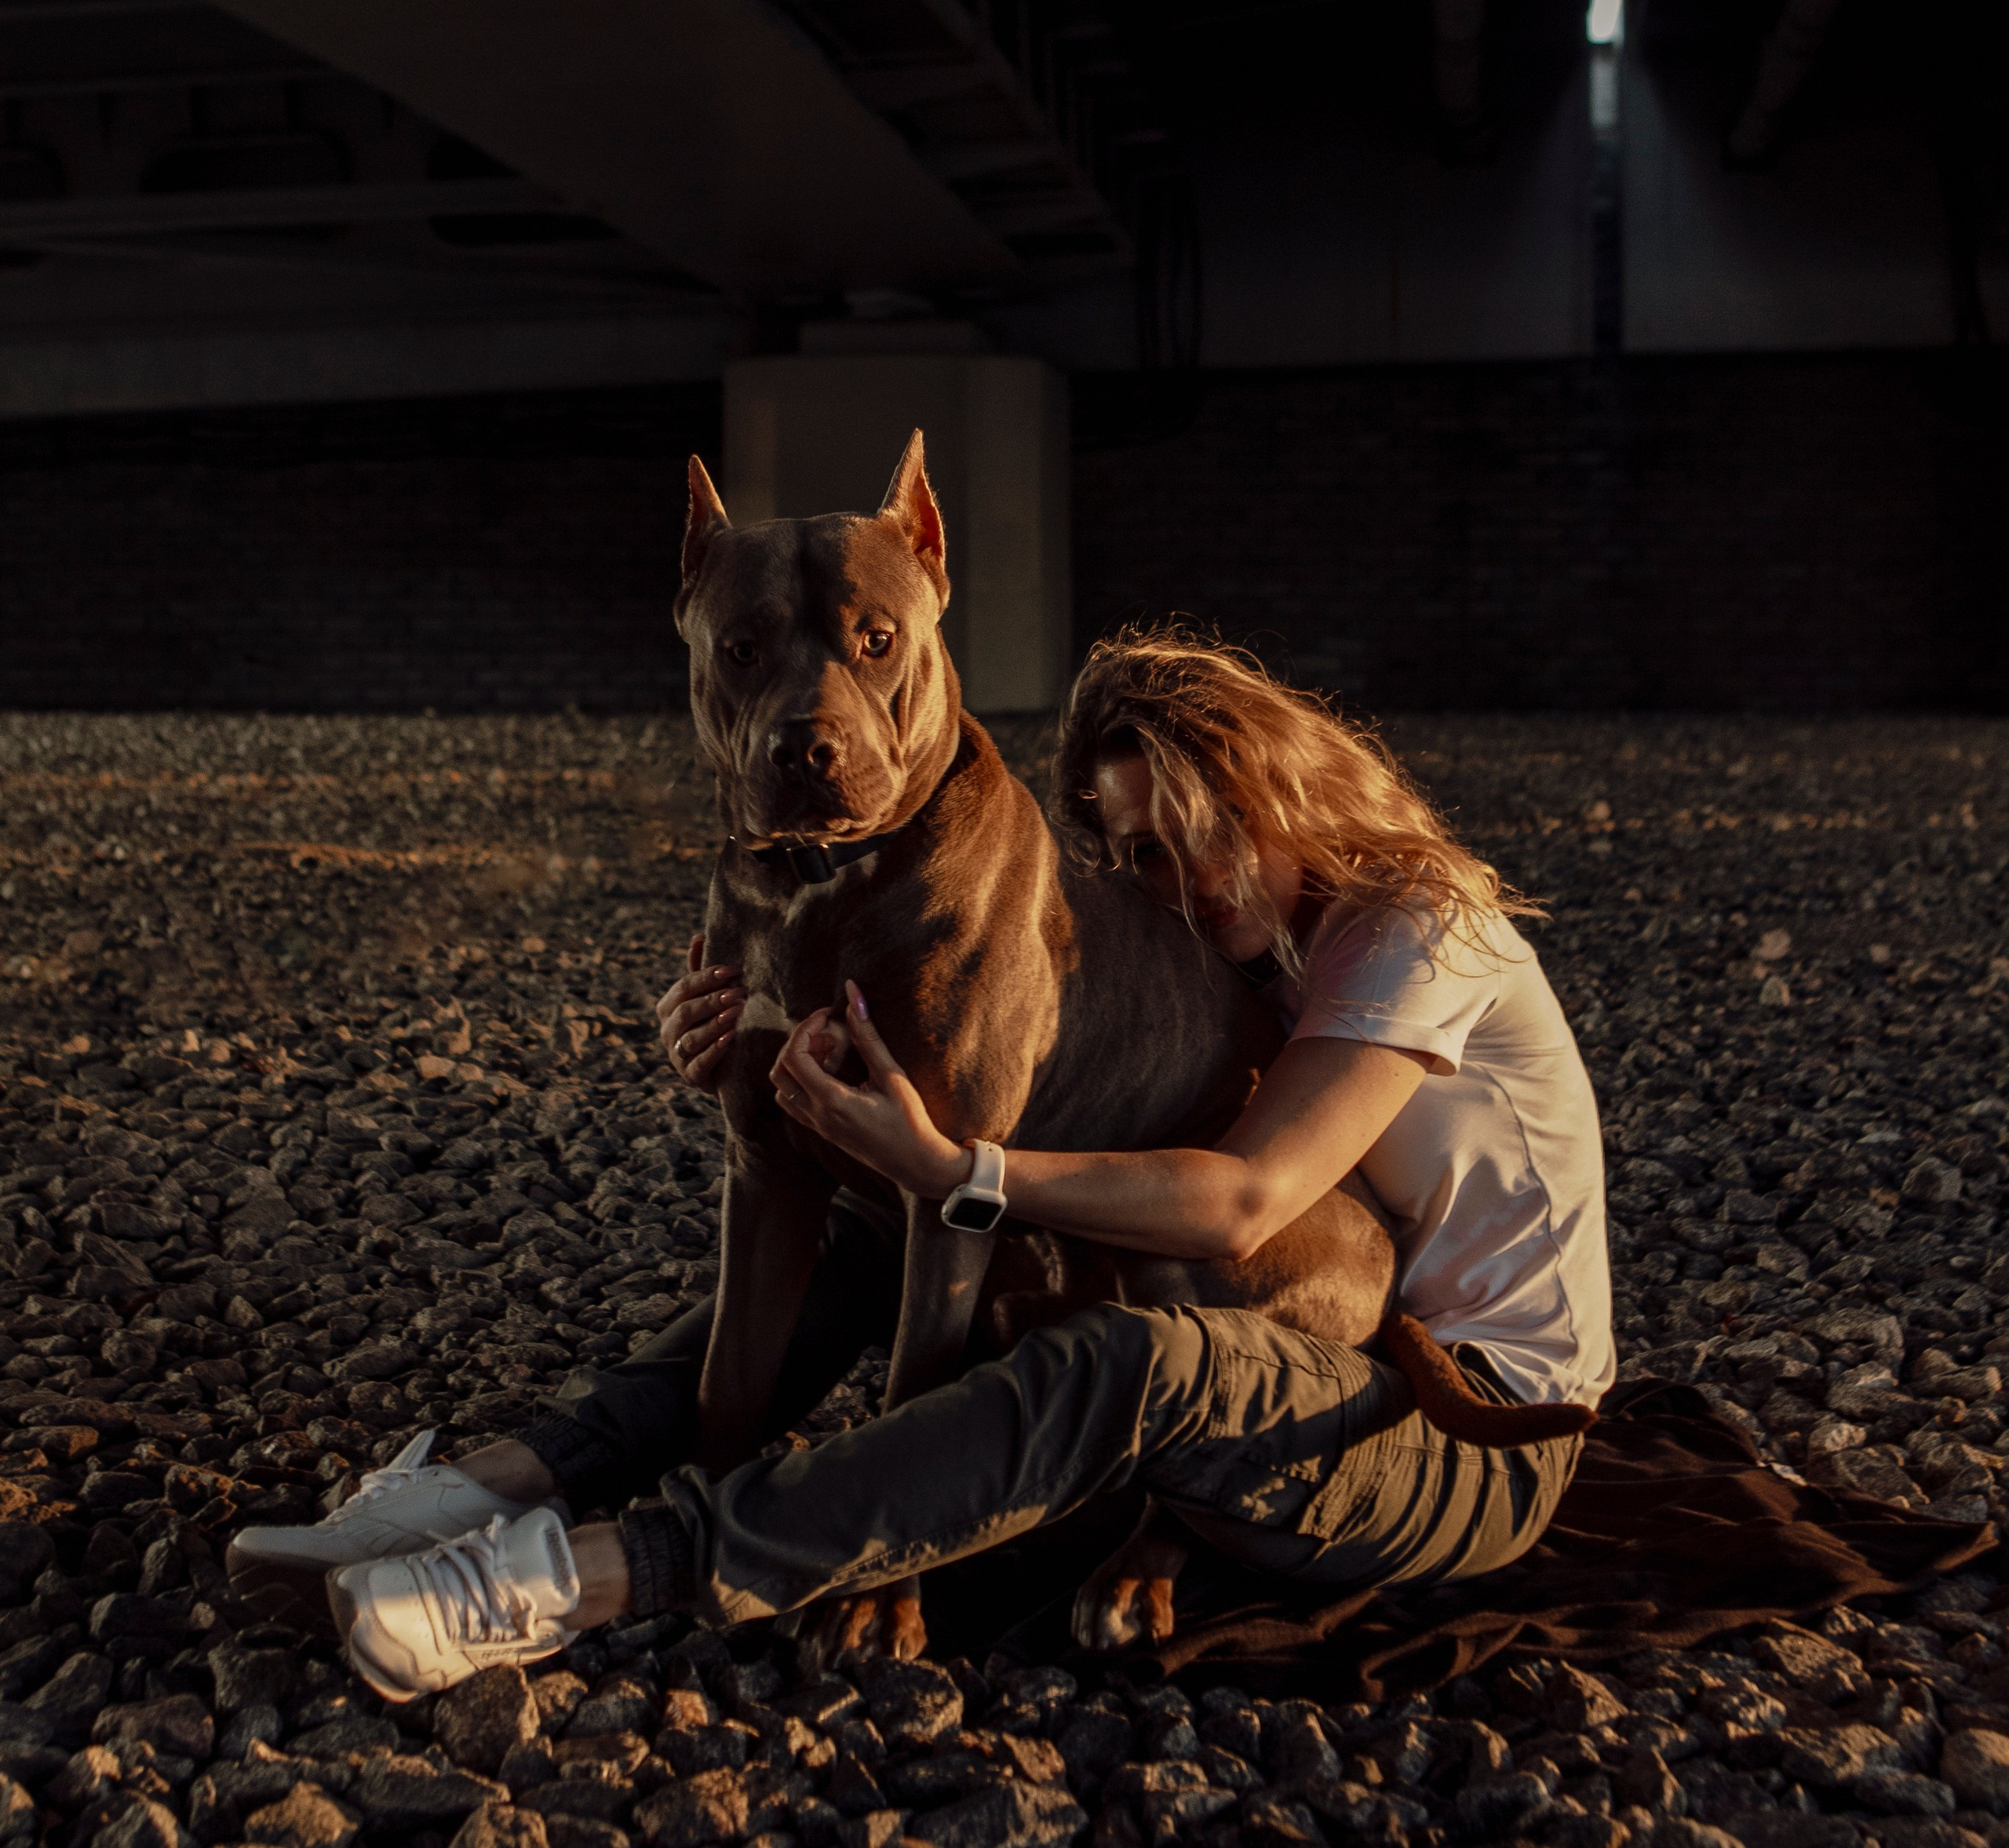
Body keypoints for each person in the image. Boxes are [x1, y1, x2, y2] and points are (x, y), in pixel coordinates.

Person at [230, 634, 1612, 1700]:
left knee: (1130, 1360)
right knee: (870, 1242)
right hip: (1341, 1364)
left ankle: (564, 1578)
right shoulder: (1256, 955)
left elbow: (1244, 1201)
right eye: (1132, 856)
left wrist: (965, 1167)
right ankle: (493, 1481)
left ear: (1274, 782)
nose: (1176, 887)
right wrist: (747, 1047)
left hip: (1469, 1435)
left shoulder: (1420, 923)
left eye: (1192, 836)